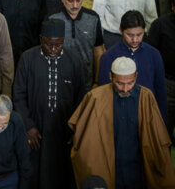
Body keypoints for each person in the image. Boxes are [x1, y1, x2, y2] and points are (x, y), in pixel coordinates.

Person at [69, 56, 175, 188]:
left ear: (136, 76)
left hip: (138, 166)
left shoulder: (146, 97)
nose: (125, 89)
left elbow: (157, 139)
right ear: (110, 76)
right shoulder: (95, 97)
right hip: (109, 164)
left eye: (130, 83)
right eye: (119, 83)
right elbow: (80, 133)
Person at [13, 19, 85, 189]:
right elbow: (18, 95)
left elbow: (81, 97)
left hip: (64, 130)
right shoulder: (28, 58)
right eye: (48, 45)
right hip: (35, 131)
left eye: (58, 45)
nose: (53, 49)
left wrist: (74, 128)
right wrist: (28, 126)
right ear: (41, 39)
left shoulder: (74, 60)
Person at [98, 10, 167, 123]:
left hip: (148, 115)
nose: (135, 40)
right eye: (130, 35)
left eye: (139, 35)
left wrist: (162, 122)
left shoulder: (154, 54)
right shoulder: (109, 56)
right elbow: (104, 94)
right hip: (119, 118)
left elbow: (160, 91)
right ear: (121, 30)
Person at [48, 0, 105, 91]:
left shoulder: (93, 18)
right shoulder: (52, 18)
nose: (75, 5)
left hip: (86, 81)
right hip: (59, 82)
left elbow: (99, 51)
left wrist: (97, 81)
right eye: (70, 1)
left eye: (78, 0)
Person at [147, 0, 175, 143]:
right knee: (164, 131)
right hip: (167, 83)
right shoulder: (160, 25)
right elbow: (150, 56)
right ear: (172, 6)